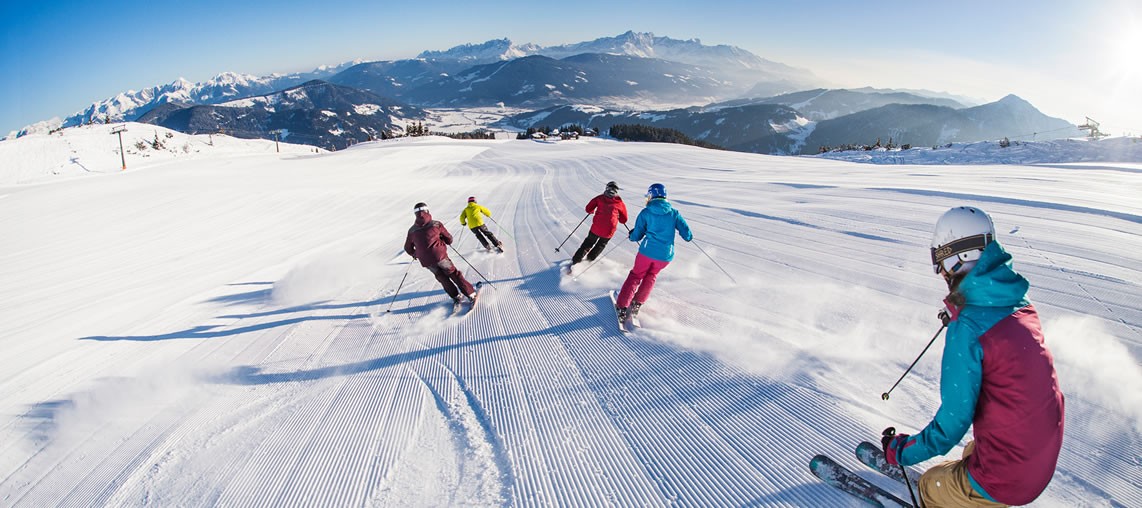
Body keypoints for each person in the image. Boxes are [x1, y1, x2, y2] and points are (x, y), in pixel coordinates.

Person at [882, 206, 1064, 507]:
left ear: (956, 257)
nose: (941, 273)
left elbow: (951, 426)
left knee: (929, 485)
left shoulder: (968, 329)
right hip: (1039, 460)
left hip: (1009, 482)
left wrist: (900, 450)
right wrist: (963, 311)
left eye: (940, 263)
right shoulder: (1019, 302)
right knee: (972, 451)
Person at [615, 183, 692, 321]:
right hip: (665, 256)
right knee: (651, 276)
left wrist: (632, 236)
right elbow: (687, 234)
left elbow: (637, 235)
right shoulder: (674, 213)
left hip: (647, 252)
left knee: (636, 275)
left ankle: (622, 306)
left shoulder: (646, 212)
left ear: (651, 196)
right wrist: (688, 236)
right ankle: (637, 303)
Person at [404, 202, 477, 305]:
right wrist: (446, 240)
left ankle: (455, 296)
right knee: (453, 273)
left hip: (426, 261)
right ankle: (470, 294)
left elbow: (407, 248)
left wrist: (415, 254)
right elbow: (449, 238)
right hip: (440, 257)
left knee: (441, 277)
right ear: (427, 211)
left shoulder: (412, 230)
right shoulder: (436, 224)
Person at [570, 181, 629, 269]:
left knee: (588, 242)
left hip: (596, 228)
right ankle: (589, 260)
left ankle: (576, 261)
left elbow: (588, 208)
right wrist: (618, 217)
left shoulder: (600, 198)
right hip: (609, 230)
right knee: (601, 245)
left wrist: (592, 210)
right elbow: (624, 220)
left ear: (607, 188)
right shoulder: (619, 203)